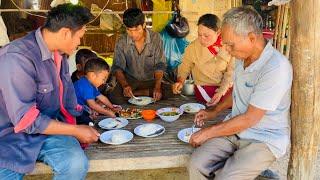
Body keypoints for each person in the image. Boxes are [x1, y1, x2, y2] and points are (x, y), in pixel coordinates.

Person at [188, 6, 292, 180]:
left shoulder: (276, 68)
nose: (226, 49)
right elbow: (238, 89)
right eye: (225, 43)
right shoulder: (241, 57)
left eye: (230, 44)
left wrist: (208, 132)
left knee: (226, 177)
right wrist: (215, 110)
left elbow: (250, 118)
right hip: (235, 130)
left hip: (264, 138)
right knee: (196, 164)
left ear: (252, 38)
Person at [0, 4, 100, 179]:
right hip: (10, 138)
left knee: (75, 164)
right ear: (65, 33)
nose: (79, 43)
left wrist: (84, 114)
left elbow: (68, 101)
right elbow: (26, 120)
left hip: (47, 131)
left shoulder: (59, 55)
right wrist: (76, 131)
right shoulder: (17, 57)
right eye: (80, 37)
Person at [108, 8, 173, 104]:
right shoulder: (121, 41)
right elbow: (117, 67)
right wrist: (125, 85)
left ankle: (137, 94)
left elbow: (160, 65)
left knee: (169, 91)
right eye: (129, 30)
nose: (133, 34)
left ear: (143, 25)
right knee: (114, 97)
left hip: (151, 80)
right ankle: (142, 93)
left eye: (137, 29)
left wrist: (157, 87)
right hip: (131, 81)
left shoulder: (156, 38)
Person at [172, 14, 234, 106]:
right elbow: (185, 67)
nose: (202, 39)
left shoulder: (228, 45)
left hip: (226, 86)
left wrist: (222, 90)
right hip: (204, 87)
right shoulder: (193, 48)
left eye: (206, 36)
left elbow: (231, 71)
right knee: (217, 104)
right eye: (199, 35)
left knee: (234, 100)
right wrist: (180, 82)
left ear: (218, 32)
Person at [74, 57, 120, 125]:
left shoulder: (91, 84)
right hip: (73, 112)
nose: (104, 82)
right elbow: (92, 105)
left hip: (82, 108)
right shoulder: (85, 85)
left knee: (95, 114)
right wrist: (109, 113)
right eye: (103, 79)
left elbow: (102, 98)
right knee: (89, 122)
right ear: (93, 75)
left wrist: (112, 108)